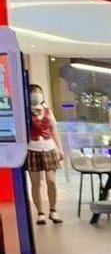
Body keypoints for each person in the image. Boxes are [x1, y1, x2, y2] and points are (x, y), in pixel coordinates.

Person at [26, 84, 64, 226]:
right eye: (33, 93)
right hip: (32, 148)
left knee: (51, 181)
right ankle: (40, 213)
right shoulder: (25, 112)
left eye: (38, 92)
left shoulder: (47, 110)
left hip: (49, 147)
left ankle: (53, 210)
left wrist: (60, 149)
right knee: (35, 183)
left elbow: (53, 130)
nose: (36, 95)